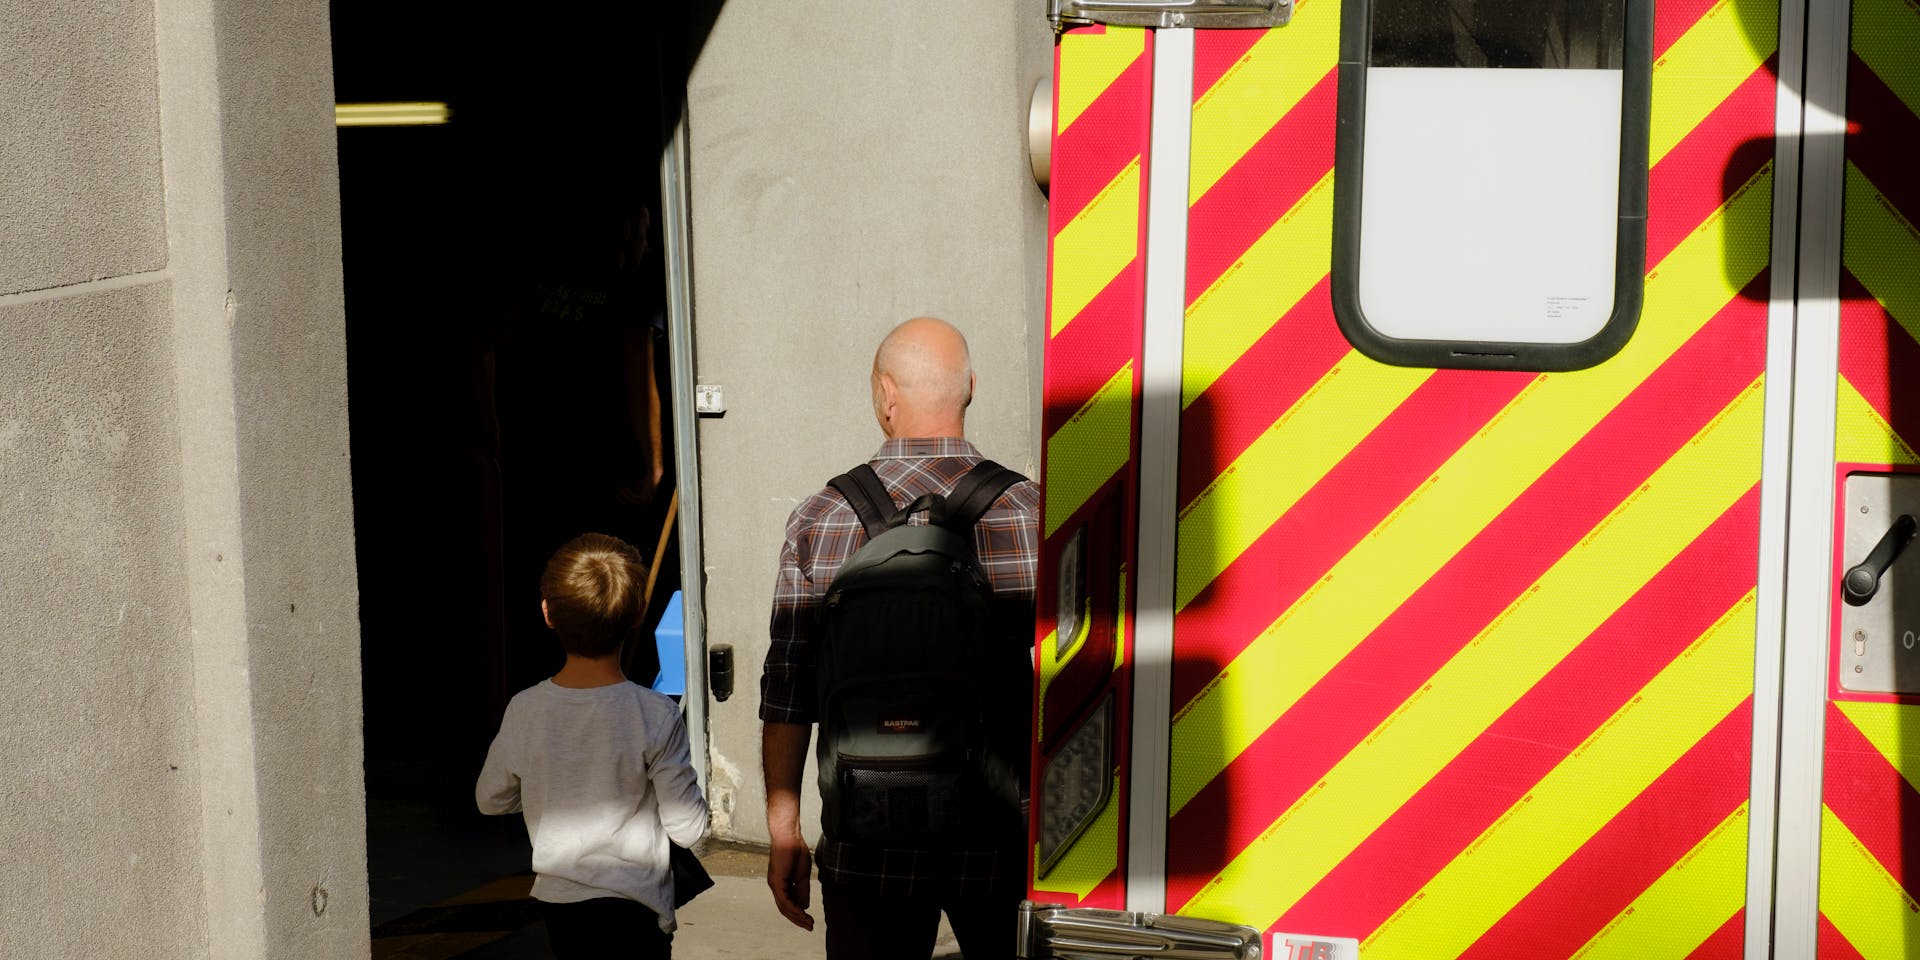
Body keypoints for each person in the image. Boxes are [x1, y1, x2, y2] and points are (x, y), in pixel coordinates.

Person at [761, 317, 1040, 959]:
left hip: (867, 844)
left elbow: (788, 688)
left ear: (885, 394)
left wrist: (784, 827)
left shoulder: (821, 517)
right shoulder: (1030, 511)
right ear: (970, 387)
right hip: (1000, 841)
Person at [478, 533, 708, 959]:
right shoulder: (656, 713)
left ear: (548, 613)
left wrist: (547, 790)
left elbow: (491, 800)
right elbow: (688, 828)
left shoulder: (525, 709)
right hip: (637, 907)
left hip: (560, 904)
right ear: (638, 614)